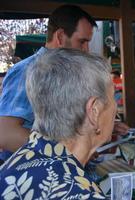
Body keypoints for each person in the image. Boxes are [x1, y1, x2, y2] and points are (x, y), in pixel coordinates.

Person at [0, 5, 129, 161]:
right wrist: (66, 154)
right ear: (60, 37)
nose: (86, 49)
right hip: (35, 177)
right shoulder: (27, 71)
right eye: (82, 41)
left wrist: (101, 125)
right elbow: (5, 133)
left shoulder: (67, 71)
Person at [0, 48, 115, 199]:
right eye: (112, 97)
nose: (115, 107)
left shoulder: (14, 167)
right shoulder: (78, 193)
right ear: (94, 111)